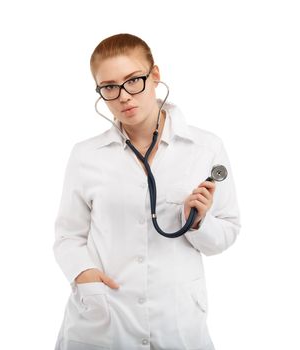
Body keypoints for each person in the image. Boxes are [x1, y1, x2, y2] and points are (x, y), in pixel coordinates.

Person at [53, 33, 241, 350]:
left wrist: (197, 222)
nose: (124, 96)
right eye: (109, 87)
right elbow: (68, 235)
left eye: (134, 80)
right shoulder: (86, 155)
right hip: (104, 321)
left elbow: (228, 229)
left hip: (177, 320)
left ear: (155, 76)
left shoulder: (205, 147)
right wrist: (84, 274)